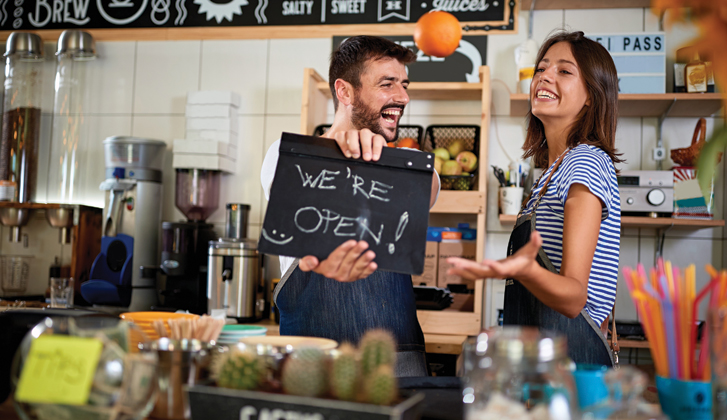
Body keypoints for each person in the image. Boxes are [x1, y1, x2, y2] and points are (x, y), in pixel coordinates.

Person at [260, 36, 440, 377]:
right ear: (345, 92)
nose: (402, 97)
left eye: (404, 85)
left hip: (397, 372)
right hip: (313, 370)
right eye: (387, 84)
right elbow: (307, 211)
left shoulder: (410, 164)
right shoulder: (286, 158)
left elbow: (423, 187)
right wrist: (340, 154)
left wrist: (378, 159)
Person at [447, 31, 623, 366]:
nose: (544, 76)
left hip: (572, 363)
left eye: (564, 71)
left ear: (591, 96)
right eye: (541, 68)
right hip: (543, 361)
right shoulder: (553, 172)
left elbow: (573, 298)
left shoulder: (585, 160)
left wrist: (522, 270)